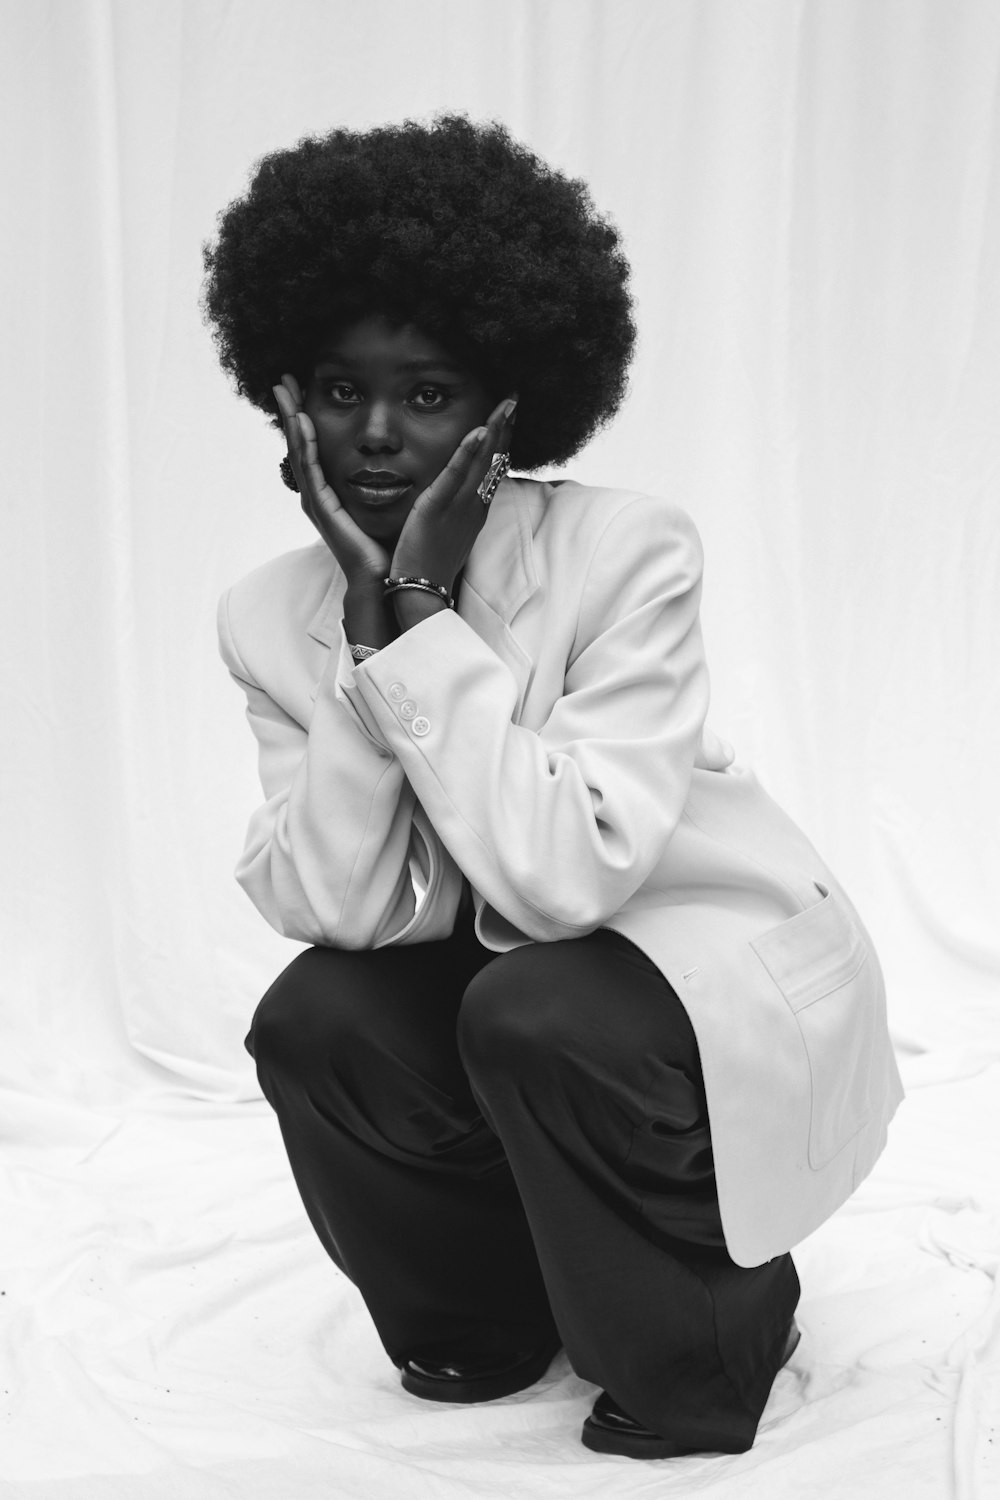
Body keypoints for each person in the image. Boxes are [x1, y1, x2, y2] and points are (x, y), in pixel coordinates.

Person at [202, 114, 903, 1460]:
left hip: (691, 968)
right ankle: (485, 1315)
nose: (381, 436)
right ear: (284, 401)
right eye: (341, 394)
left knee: (536, 1008)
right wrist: (367, 631)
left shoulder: (626, 551)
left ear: (505, 410)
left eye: (429, 392)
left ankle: (708, 1337)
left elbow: (569, 873)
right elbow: (341, 907)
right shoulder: (264, 616)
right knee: (317, 1018)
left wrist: (417, 620)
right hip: (518, 983)